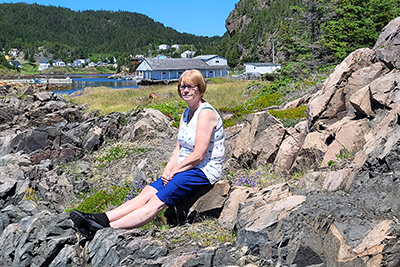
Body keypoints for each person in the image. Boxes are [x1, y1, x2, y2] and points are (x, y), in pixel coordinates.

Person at [70, 69, 225, 239]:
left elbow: (198, 155)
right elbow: (178, 148)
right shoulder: (186, 113)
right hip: (185, 167)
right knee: (146, 193)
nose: (185, 90)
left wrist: (175, 171)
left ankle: (104, 229)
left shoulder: (206, 113)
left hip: (202, 170)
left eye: (190, 86)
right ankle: (101, 218)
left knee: (156, 202)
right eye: (182, 87)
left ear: (200, 88)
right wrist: (168, 170)